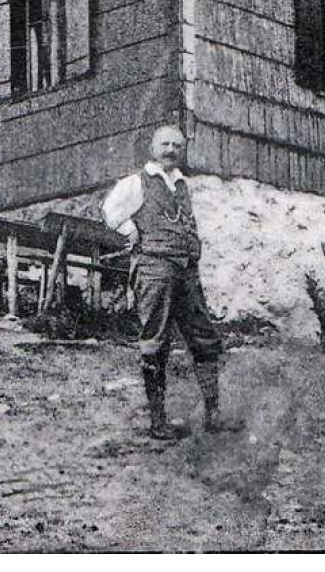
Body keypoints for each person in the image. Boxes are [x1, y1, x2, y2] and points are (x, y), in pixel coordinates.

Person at [102, 124, 242, 440]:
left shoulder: (182, 184)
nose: (170, 150)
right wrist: (130, 231)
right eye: (165, 144)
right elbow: (110, 214)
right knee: (156, 340)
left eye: (177, 146)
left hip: (186, 271)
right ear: (153, 147)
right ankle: (158, 421)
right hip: (154, 268)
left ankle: (213, 415)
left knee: (204, 338)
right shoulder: (134, 183)